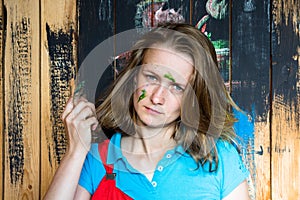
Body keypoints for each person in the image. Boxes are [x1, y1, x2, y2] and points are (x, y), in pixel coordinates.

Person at [44, 23, 250, 199]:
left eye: (177, 87)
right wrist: (75, 152)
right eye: (151, 77)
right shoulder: (99, 158)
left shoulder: (218, 157)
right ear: (134, 76)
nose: (157, 98)